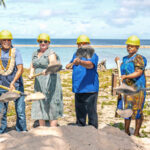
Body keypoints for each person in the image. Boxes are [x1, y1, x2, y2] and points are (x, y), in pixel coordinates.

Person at [115, 35, 147, 136]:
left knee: (137, 110)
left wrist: (126, 76)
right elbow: (121, 71)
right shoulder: (124, 59)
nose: (129, 48)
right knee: (126, 109)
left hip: (137, 88)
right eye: (128, 46)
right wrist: (117, 62)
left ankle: (136, 132)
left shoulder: (139, 58)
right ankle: (126, 131)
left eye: (132, 46)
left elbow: (139, 72)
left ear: (137, 47)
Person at [29, 33, 63, 127]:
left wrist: (47, 69)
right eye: (40, 41)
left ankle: (53, 129)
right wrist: (31, 73)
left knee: (52, 103)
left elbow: (53, 63)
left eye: (45, 41)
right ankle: (42, 128)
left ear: (48, 43)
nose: (42, 43)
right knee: (39, 102)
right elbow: (32, 65)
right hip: (39, 82)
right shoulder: (35, 53)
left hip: (50, 81)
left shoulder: (51, 53)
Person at [66, 35, 99, 128]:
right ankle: (81, 130)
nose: (81, 46)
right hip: (78, 88)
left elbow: (90, 65)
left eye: (83, 44)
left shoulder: (92, 54)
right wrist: (69, 65)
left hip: (90, 89)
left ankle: (93, 131)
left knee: (91, 113)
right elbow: (72, 63)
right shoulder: (76, 54)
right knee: (80, 113)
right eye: (79, 44)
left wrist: (80, 62)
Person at [0, 30, 27, 133]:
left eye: (9, 40)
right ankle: (2, 131)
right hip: (2, 87)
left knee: (20, 111)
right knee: (1, 111)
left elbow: (20, 69)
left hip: (16, 86)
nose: (6, 42)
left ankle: (22, 131)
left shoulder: (16, 52)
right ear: (0, 41)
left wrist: (13, 83)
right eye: (4, 40)